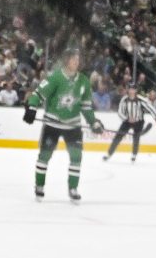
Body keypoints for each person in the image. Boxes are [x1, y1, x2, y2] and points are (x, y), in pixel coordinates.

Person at [24, 47, 107, 203]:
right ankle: (39, 186)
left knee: (77, 156)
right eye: (73, 59)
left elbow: (86, 107)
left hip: (73, 125)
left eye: (78, 59)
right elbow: (38, 94)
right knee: (44, 156)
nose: (76, 62)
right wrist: (31, 108)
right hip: (52, 123)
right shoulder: (55, 77)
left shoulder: (83, 81)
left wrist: (93, 122)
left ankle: (73, 188)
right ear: (66, 60)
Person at [103, 84, 156, 162]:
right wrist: (126, 118)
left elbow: (151, 109)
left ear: (136, 90)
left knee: (136, 138)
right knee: (118, 137)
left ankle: (134, 154)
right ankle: (109, 154)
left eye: (133, 89)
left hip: (139, 122)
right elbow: (120, 111)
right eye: (130, 89)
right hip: (127, 121)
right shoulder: (124, 99)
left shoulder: (141, 99)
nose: (131, 91)